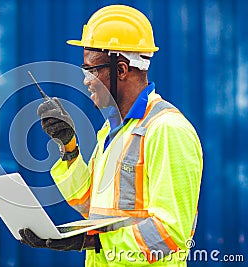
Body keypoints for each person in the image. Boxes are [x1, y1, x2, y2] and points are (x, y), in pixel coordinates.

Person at [19, 5, 203, 267]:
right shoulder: (112, 130)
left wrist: (93, 242)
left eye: (91, 70)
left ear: (121, 70)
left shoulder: (166, 130)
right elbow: (90, 203)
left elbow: (170, 233)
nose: (85, 80)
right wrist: (69, 147)